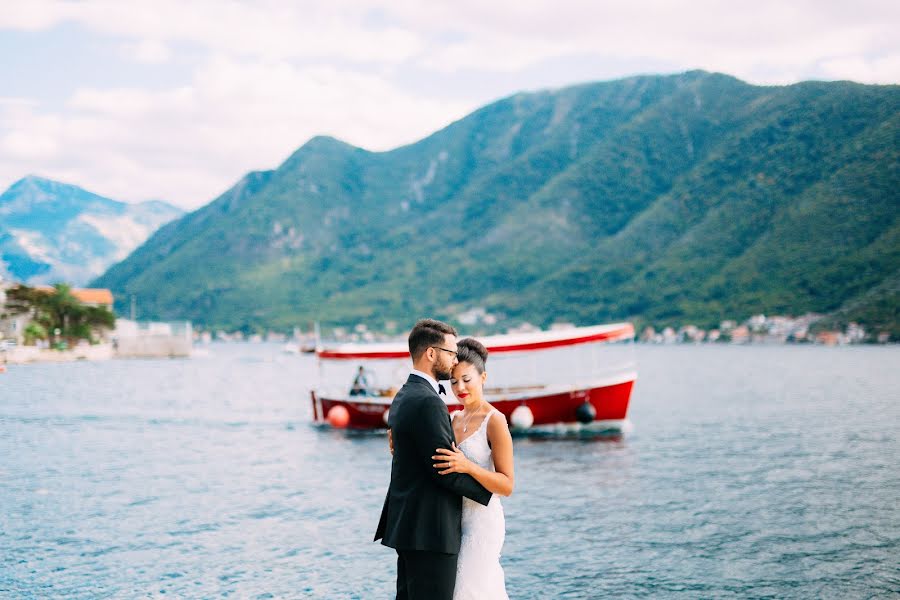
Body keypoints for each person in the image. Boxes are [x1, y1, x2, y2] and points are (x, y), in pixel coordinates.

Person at [375, 319, 492, 600]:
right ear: (431, 353)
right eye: (451, 353)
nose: (454, 361)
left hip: (409, 527)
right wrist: (490, 493)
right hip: (430, 531)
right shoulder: (428, 401)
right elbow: (444, 468)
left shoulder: (403, 395)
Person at [432, 337, 514, 600]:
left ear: (483, 377)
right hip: (454, 520)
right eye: (454, 381)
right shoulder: (453, 418)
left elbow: (507, 485)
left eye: (466, 379)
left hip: (483, 522)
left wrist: (468, 467)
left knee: (467, 590)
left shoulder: (495, 420)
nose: (460, 387)